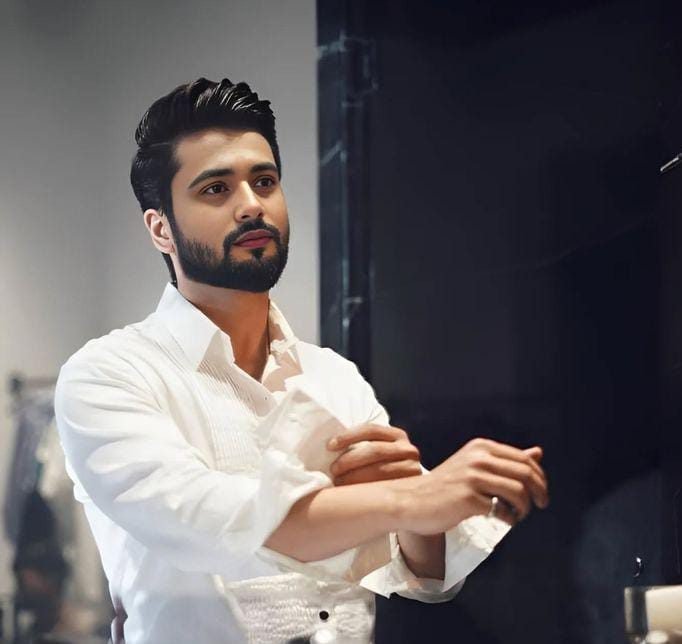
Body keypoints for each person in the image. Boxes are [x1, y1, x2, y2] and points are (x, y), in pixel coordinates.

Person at [54, 77, 549, 644]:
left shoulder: (335, 377)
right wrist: (410, 496)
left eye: (264, 182)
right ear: (160, 227)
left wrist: (416, 510)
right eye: (216, 189)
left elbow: (421, 577)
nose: (251, 205)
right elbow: (217, 518)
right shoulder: (109, 375)